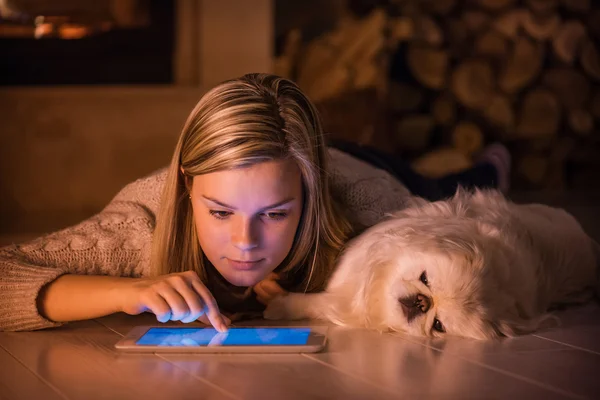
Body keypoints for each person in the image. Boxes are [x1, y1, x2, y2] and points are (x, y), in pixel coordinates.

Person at [0, 73, 511, 332]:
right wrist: (121, 291)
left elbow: (476, 244)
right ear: (185, 188)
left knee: (462, 187)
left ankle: (491, 163)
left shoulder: (369, 207)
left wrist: (325, 286)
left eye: (275, 214)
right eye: (220, 212)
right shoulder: (140, 223)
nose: (245, 243)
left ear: (308, 199)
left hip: (356, 164)